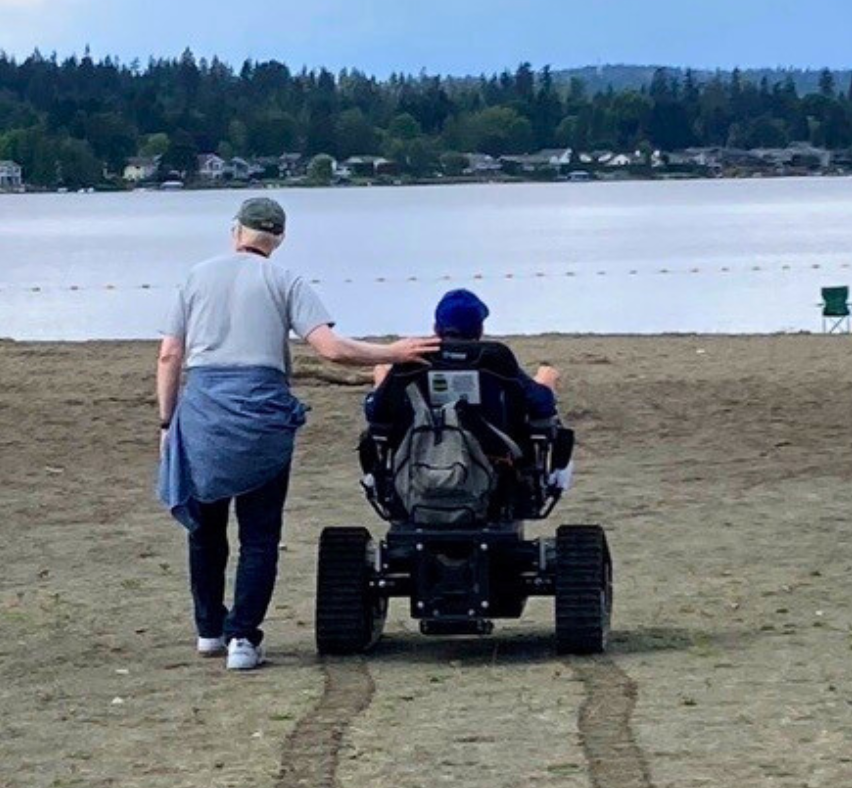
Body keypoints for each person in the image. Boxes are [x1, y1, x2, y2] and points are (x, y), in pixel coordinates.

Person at [157, 197, 439, 670]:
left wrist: (167, 422)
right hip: (262, 414)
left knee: (206, 530)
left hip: (204, 412)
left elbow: (169, 355)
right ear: (280, 239)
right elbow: (331, 349)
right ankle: (242, 639)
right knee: (260, 535)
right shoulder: (285, 281)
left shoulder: (195, 277)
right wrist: (392, 352)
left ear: (235, 232)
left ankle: (208, 628)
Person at [365, 288, 561, 424]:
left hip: (421, 463)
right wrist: (546, 381)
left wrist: (380, 384)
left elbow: (376, 413)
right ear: (480, 329)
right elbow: (542, 405)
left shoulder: (414, 358)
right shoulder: (494, 357)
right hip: (493, 458)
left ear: (435, 328)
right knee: (545, 379)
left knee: (382, 375)